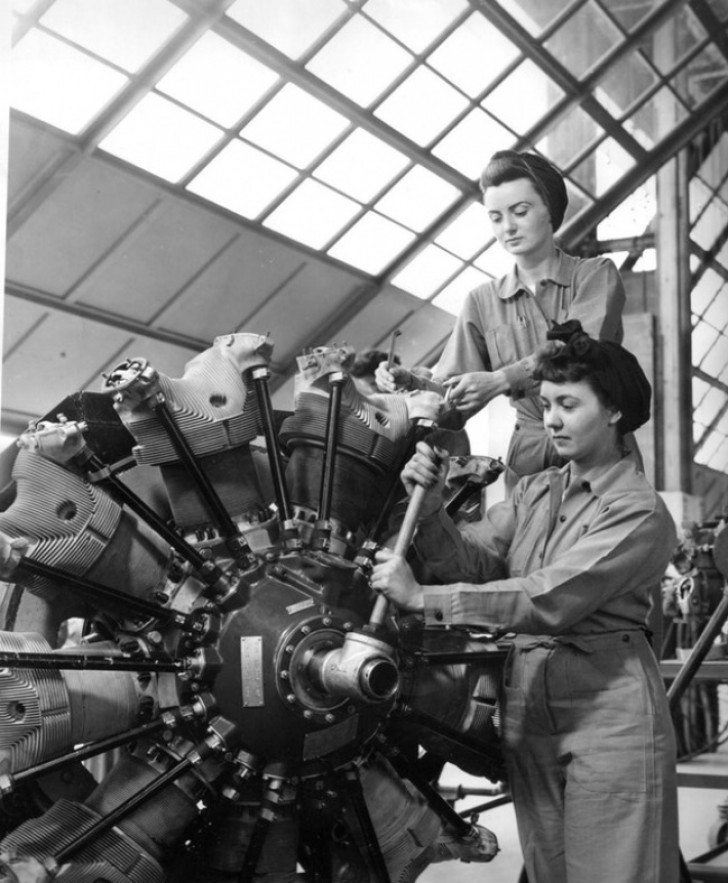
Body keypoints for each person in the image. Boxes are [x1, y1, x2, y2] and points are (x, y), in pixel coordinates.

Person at [371, 323, 679, 883]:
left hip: (607, 712)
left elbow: (550, 598)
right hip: (529, 701)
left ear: (613, 412)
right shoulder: (537, 491)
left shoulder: (638, 512)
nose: (553, 420)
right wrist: (434, 507)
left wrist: (423, 599)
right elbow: (473, 563)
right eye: (546, 404)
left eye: (568, 404)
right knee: (548, 871)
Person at [376, 150, 627, 485]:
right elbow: (451, 405)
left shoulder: (596, 275)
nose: (508, 227)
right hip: (527, 462)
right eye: (495, 217)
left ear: (550, 210)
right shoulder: (481, 301)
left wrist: (501, 380)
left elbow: (582, 350)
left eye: (520, 212)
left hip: (596, 450)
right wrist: (411, 385)